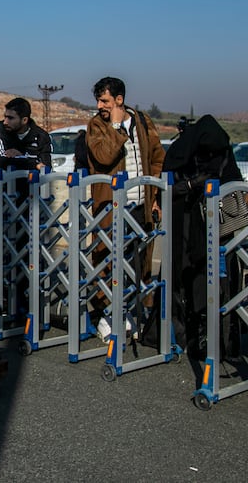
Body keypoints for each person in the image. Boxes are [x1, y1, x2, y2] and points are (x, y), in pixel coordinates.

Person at [84, 76, 165, 338]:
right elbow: (104, 156)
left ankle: (132, 311)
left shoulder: (142, 121)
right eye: (98, 100)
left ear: (120, 100)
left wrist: (155, 197)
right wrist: (116, 126)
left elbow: (156, 158)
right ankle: (105, 315)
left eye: (105, 100)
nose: (100, 105)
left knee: (138, 262)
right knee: (108, 260)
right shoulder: (97, 125)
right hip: (111, 207)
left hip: (140, 205)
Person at [162, 114, 243, 359]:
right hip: (195, 229)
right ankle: (202, 339)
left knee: (223, 282)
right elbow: (170, 183)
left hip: (218, 231)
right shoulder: (190, 152)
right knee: (200, 281)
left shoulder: (216, 153)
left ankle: (225, 341)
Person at [0, 97, 51, 172]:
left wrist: (20, 156)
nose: (5, 122)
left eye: (10, 118)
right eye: (5, 117)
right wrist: (33, 163)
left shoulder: (41, 136)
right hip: (7, 181)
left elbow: (45, 167)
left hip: (33, 182)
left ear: (24, 120)